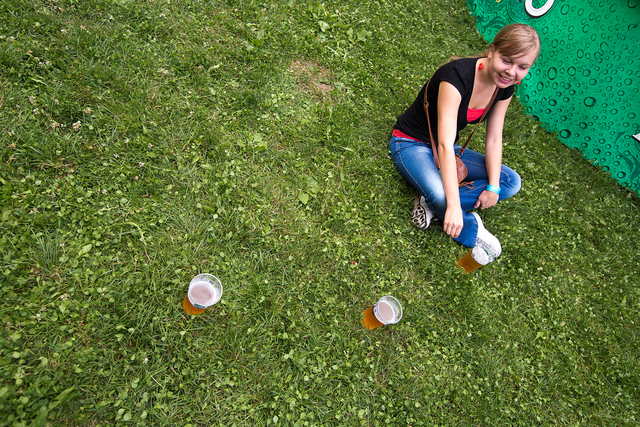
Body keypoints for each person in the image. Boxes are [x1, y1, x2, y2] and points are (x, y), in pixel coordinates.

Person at [389, 23, 540, 258]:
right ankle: (469, 227)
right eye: (507, 60)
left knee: (509, 181)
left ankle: (431, 205)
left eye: (522, 67)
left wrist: (492, 186)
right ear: (492, 51)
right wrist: (452, 206)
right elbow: (444, 145)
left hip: (448, 149)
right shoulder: (456, 77)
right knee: (442, 196)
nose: (511, 72)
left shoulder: (505, 88)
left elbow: (494, 139)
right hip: (411, 143)